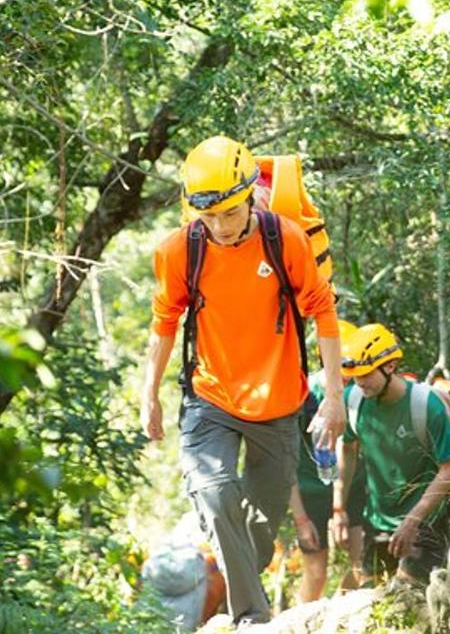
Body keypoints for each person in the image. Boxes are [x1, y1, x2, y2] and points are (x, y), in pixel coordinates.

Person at [140, 135, 346, 626]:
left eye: (229, 214)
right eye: (206, 216)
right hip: (210, 395)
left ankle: (244, 589)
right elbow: (164, 324)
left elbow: (324, 313)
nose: (218, 226)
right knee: (213, 490)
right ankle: (251, 618)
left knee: (258, 529)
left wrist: (333, 396)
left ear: (251, 195)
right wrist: (149, 395)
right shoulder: (180, 251)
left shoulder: (284, 240)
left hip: (277, 401)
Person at [331, 324, 450, 586]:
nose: (360, 382)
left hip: (425, 525)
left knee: (406, 596)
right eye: (355, 376)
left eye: (366, 374)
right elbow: (347, 449)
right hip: (378, 523)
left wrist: (413, 519)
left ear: (389, 367)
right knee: (368, 594)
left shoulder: (426, 406)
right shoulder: (353, 400)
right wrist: (338, 508)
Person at [288, 360, 368, 603]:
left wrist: (340, 507)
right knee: (316, 575)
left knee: (364, 569)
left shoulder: (361, 392)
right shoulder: (303, 393)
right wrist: (300, 518)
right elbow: (285, 462)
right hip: (310, 494)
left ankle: (339, 619)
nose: (347, 382)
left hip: (352, 487)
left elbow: (353, 449)